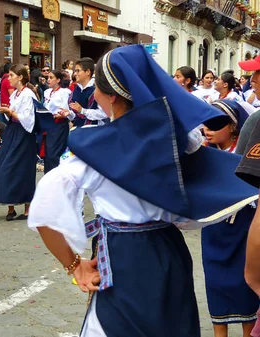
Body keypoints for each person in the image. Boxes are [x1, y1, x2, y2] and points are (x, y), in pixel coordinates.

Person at [28, 44, 259, 337]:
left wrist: (75, 265)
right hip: (169, 250)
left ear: (109, 96)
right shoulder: (176, 141)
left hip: (126, 255)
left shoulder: (96, 149)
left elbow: (45, 208)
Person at [201, 99, 258, 337]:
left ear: (233, 126)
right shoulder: (202, 155)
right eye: (206, 124)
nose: (208, 130)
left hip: (243, 230)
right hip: (214, 231)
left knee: (245, 290)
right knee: (215, 288)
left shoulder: (246, 154)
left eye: (216, 124)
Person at [0, 64, 38, 221]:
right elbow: (13, 116)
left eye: (11, 75)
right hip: (13, 131)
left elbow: (28, 118)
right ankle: (11, 207)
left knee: (22, 168)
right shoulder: (15, 94)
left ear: (20, 77)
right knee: (3, 165)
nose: (9, 78)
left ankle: (28, 208)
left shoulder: (28, 94)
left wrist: (10, 112)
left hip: (24, 134)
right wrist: (7, 112)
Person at [42, 70, 71, 173]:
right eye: (47, 78)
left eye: (51, 78)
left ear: (58, 80)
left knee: (54, 154)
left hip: (59, 124)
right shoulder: (47, 92)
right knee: (48, 153)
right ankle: (48, 177)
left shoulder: (64, 92)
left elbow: (65, 110)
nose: (48, 80)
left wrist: (55, 116)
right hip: (48, 125)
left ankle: (57, 177)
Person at [68, 57, 108, 127]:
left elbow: (104, 113)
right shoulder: (77, 88)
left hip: (93, 130)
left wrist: (83, 111)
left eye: (78, 71)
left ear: (87, 72)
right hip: (79, 129)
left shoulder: (97, 89)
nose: (75, 74)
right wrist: (69, 114)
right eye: (75, 71)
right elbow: (76, 115)